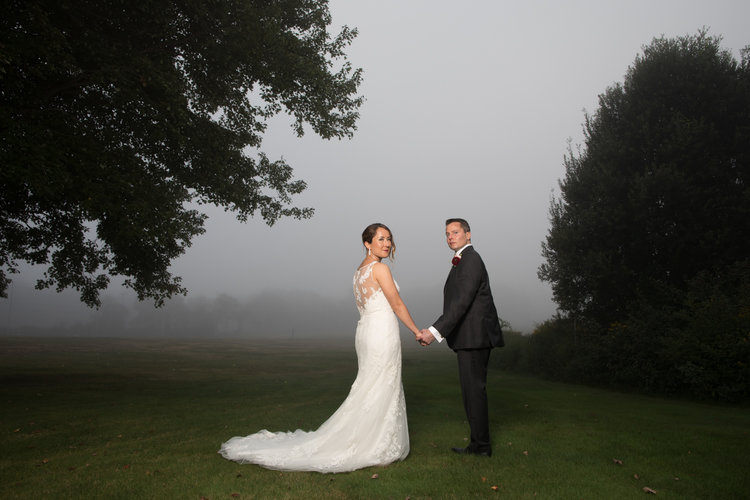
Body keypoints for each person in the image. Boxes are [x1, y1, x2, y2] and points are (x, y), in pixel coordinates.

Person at [219, 223, 423, 472]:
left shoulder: (359, 271)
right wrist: (416, 331)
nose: (387, 243)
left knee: (371, 384)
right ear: (367, 243)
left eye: (389, 238)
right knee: (380, 384)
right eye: (380, 239)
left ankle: (372, 439)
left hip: (366, 331)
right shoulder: (380, 268)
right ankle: (375, 445)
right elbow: (396, 304)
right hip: (381, 332)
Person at [419, 218, 503, 457]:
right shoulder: (463, 260)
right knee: (471, 392)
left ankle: (481, 447)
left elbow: (461, 302)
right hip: (470, 336)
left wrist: (434, 332)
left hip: (475, 336)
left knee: (474, 392)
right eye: (447, 234)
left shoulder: (471, 259)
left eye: (455, 232)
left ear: (468, 234)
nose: (450, 237)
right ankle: (478, 444)